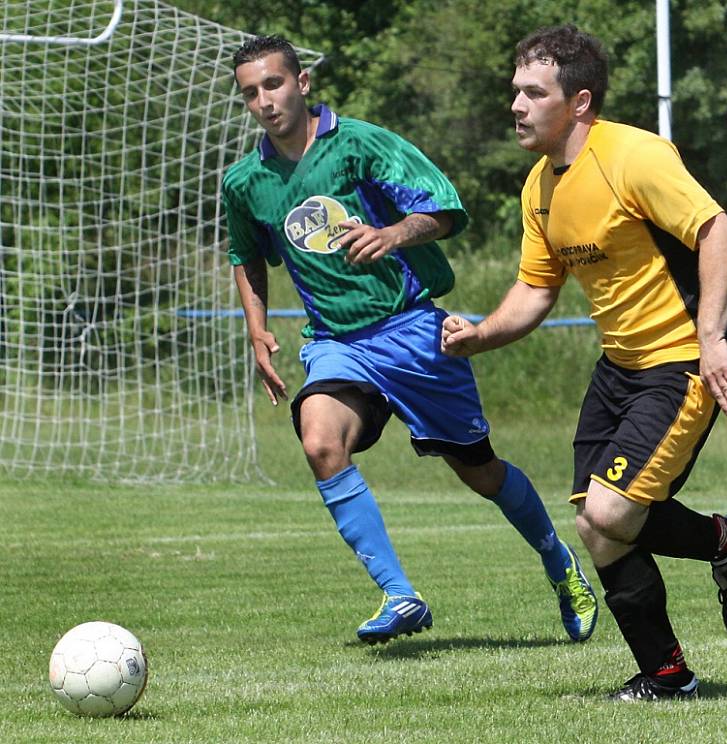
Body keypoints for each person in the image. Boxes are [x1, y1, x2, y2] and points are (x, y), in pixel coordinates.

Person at [221, 35, 598, 646]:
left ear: (303, 82)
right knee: (320, 443)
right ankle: (400, 596)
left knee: (479, 472)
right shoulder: (246, 182)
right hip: (336, 342)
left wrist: (394, 234)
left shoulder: (363, 144)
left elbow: (444, 211)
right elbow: (246, 256)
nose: (265, 100)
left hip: (410, 331)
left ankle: (559, 562)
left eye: (274, 84)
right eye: (251, 92)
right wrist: (257, 326)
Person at [442, 24, 727, 699]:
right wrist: (480, 334)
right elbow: (535, 288)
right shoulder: (540, 187)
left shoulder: (633, 157)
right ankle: (669, 669)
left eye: (535, 92)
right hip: (619, 366)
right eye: (515, 91)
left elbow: (719, 233)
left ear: (579, 102)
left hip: (680, 359)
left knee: (614, 513)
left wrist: (712, 337)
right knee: (595, 521)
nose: (517, 105)